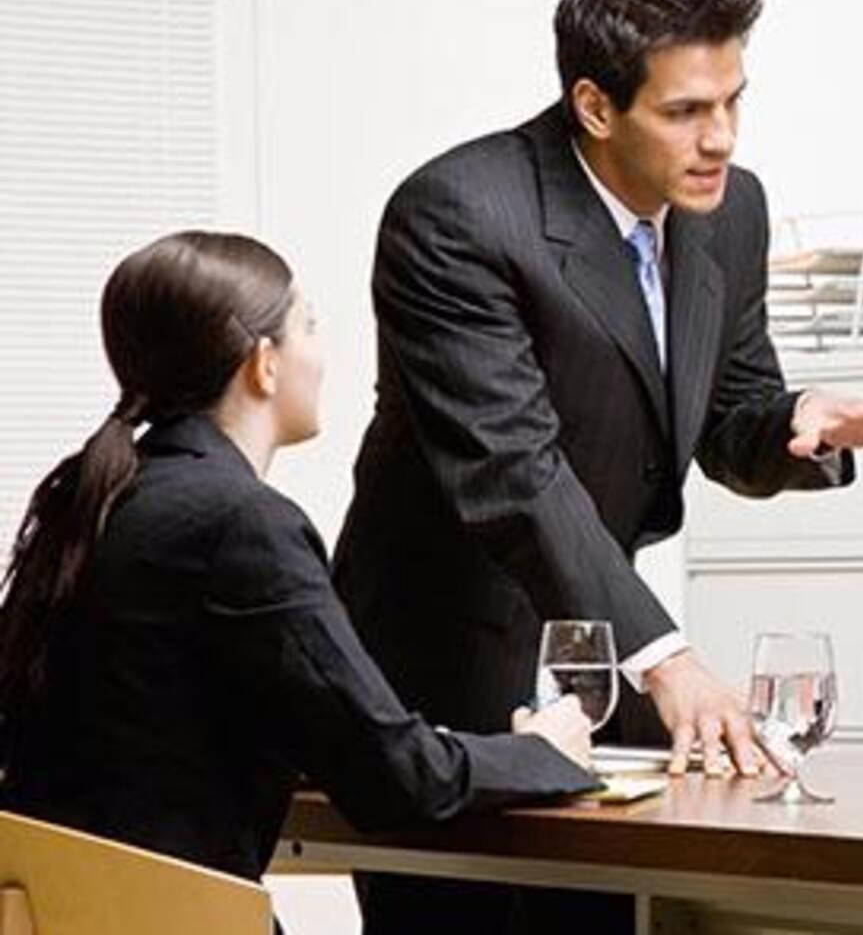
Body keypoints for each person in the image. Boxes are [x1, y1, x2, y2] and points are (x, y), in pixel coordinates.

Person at [333, 0, 863, 932]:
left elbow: (727, 417)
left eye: (733, 102)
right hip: (447, 665)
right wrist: (665, 658)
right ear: (594, 105)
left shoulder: (729, 211)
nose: (720, 139)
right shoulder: (458, 215)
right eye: (686, 111)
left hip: (594, 655)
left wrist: (797, 423)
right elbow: (515, 472)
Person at [0, 231, 597, 890]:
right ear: (264, 363)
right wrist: (540, 752)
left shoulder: (95, 499)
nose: (321, 355)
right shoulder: (242, 524)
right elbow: (396, 777)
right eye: (309, 328)